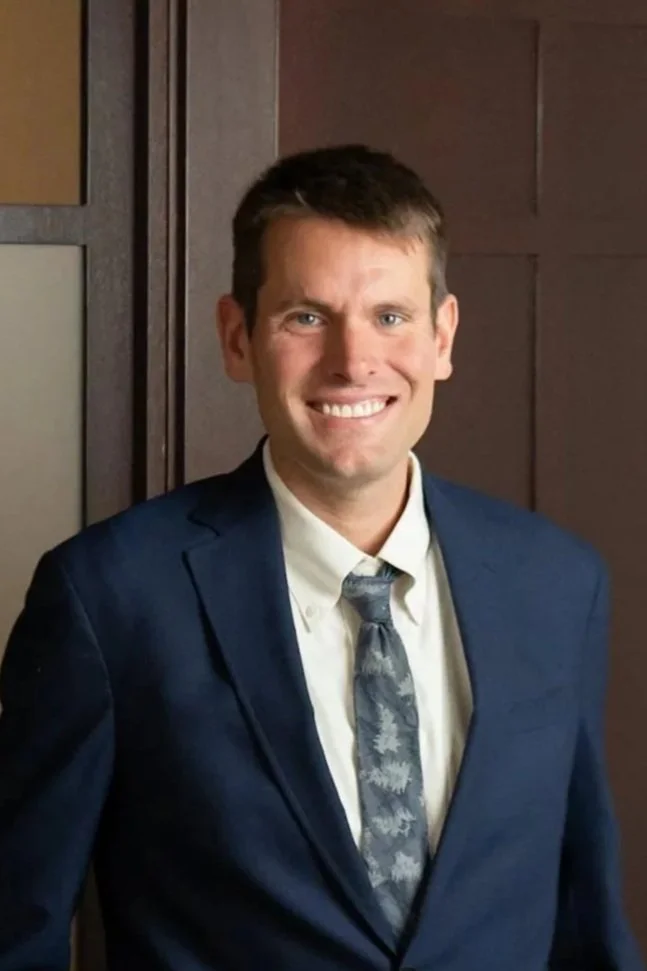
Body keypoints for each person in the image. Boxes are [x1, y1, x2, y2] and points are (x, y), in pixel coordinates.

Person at [0, 144, 642, 971]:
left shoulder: (557, 584)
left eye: (389, 315)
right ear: (237, 338)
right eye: (306, 316)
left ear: (442, 336)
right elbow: (20, 928)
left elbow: (585, 915)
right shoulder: (108, 597)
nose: (353, 360)